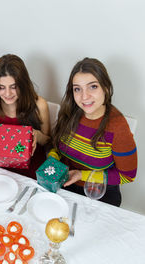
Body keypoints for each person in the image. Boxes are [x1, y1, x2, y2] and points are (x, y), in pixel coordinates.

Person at [49, 57, 137, 207]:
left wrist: (80, 175)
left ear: (106, 88)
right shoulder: (70, 112)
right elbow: (57, 146)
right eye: (78, 89)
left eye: (93, 87)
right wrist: (52, 158)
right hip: (66, 186)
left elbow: (128, 176)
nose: (84, 96)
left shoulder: (118, 127)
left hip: (99, 194)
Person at [0, 54, 51, 179]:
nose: (7, 94)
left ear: (23, 84)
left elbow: (48, 141)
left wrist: (38, 135)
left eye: (14, 87)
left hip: (32, 167)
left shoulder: (39, 105)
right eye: (1, 88)